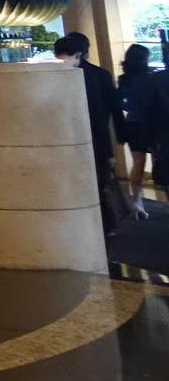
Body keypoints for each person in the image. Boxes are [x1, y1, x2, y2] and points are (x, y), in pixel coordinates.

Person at [55, 33, 127, 233]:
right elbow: (113, 110)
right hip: (93, 139)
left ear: (78, 54)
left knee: (93, 183)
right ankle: (104, 224)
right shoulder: (99, 74)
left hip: (86, 139)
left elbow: (98, 115)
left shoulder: (83, 77)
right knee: (96, 183)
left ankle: (101, 224)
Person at [117, 43, 160, 219]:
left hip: (133, 123)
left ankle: (137, 200)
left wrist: (131, 107)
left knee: (138, 163)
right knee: (159, 159)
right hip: (153, 123)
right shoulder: (152, 77)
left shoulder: (124, 79)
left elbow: (120, 102)